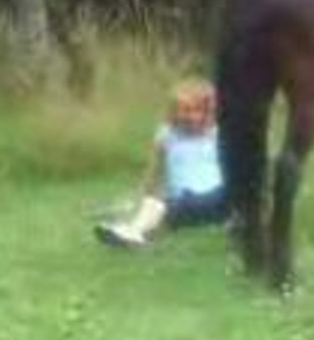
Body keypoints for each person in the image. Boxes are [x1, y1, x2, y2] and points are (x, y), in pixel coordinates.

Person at [94, 78, 229, 248]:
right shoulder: (167, 136)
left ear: (211, 112)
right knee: (157, 203)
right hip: (182, 203)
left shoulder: (217, 135)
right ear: (174, 112)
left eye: (201, 111)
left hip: (218, 199)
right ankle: (133, 231)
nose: (194, 116)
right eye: (186, 111)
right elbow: (153, 175)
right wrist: (139, 201)